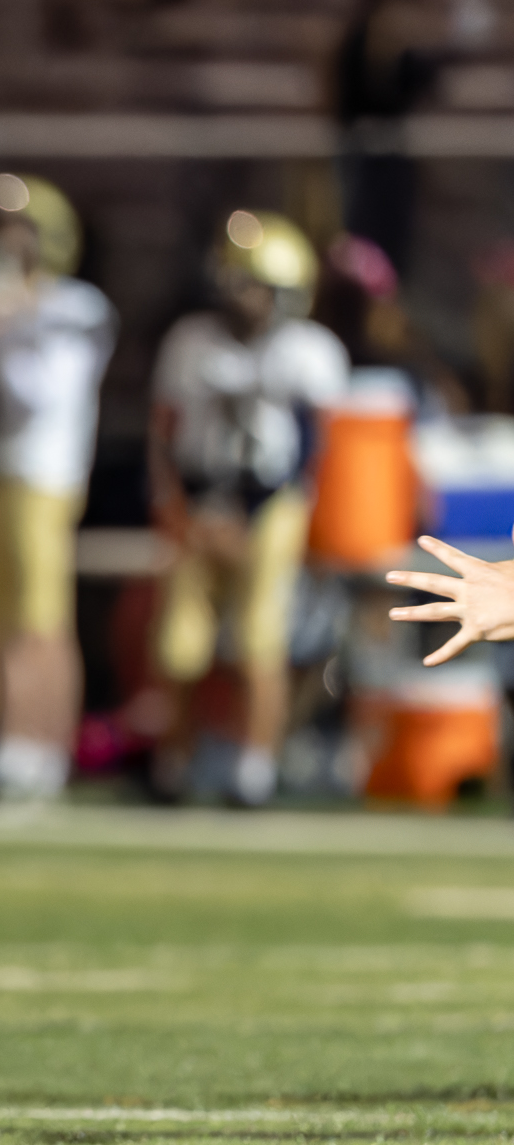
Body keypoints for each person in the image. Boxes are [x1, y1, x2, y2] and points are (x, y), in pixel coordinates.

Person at [147, 210, 348, 806]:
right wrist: (181, 510)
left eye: (256, 284)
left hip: (272, 506)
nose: (242, 295)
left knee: (261, 639)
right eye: (237, 280)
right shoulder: (190, 341)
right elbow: (166, 434)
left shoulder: (310, 351)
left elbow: (313, 452)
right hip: (199, 500)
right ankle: (175, 761)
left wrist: (249, 518)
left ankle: (254, 768)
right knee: (178, 643)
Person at [0, 173, 114, 801]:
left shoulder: (75, 307)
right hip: (0, 471)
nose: (8, 241)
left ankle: (35, 748)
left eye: (21, 229)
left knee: (40, 622)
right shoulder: (6, 306)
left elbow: (38, 395)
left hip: (44, 474)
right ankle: (10, 740)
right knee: (4, 619)